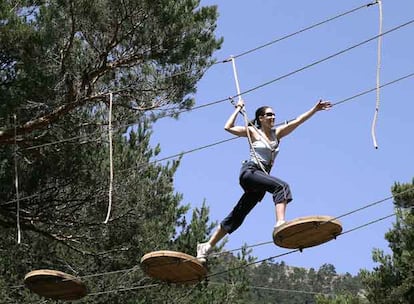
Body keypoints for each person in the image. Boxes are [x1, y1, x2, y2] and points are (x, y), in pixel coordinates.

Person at [196, 98, 332, 263]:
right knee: (282, 187)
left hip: (259, 182)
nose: (272, 117)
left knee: (238, 215)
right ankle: (280, 223)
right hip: (250, 172)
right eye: (268, 115)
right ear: (261, 118)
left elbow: (298, 121)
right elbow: (228, 127)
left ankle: (206, 246)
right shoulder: (253, 132)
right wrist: (238, 109)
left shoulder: (277, 134)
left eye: (274, 114)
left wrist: (315, 109)